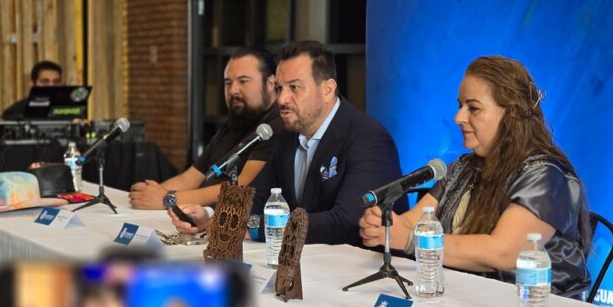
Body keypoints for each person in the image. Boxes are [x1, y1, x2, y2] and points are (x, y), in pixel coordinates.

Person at [359, 55, 591, 298]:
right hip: (468, 298)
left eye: (473, 108)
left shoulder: (545, 176)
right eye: (460, 105)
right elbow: (411, 223)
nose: (458, 117)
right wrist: (383, 226)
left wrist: (409, 240)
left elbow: (502, 252)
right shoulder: (462, 168)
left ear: (510, 114)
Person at [168, 40, 407, 246]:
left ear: (327, 90)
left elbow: (346, 222)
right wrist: (213, 216)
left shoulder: (368, 138)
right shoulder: (287, 134)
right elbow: (257, 197)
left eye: (294, 87)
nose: (282, 99)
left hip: (356, 271)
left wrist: (256, 230)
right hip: (303, 263)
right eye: (280, 88)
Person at [129, 47, 283, 211]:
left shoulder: (274, 126)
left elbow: (242, 187)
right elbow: (191, 178)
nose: (233, 90)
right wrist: (149, 193)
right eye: (228, 83)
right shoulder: (234, 123)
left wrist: (167, 199)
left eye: (243, 81)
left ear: (270, 84)